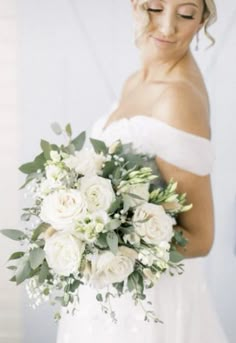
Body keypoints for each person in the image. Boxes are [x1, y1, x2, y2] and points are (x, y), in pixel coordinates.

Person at [57, 0, 228, 342]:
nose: (167, 27)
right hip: (108, 293)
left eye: (185, 14)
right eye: (154, 7)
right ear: (135, 4)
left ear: (203, 20)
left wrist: (107, 248)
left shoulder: (177, 98)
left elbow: (201, 238)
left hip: (147, 310)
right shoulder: (137, 79)